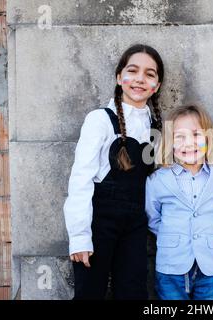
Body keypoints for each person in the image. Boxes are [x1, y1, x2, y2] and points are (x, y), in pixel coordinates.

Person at [63, 44, 164, 299]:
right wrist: (80, 237)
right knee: (90, 292)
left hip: (135, 226)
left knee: (133, 291)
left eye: (150, 74)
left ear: (157, 85)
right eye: (133, 71)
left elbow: (167, 171)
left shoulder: (155, 126)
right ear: (120, 78)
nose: (140, 78)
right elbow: (81, 179)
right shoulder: (100, 120)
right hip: (99, 222)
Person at [146, 105, 213, 300]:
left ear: (208, 138)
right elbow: (153, 219)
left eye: (196, 135)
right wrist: (172, 236)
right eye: (179, 137)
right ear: (169, 143)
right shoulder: (157, 180)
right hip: (171, 268)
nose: (188, 143)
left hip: (210, 268)